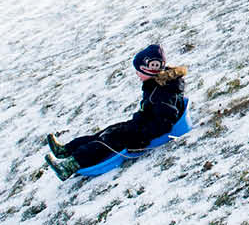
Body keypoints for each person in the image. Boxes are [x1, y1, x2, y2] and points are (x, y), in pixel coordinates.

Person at [44, 44, 188, 180]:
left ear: (150, 69)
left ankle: (71, 165)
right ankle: (67, 150)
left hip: (146, 132)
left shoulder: (163, 93)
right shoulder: (156, 84)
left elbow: (164, 122)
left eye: (139, 70)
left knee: (109, 140)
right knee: (106, 132)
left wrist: (142, 136)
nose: (137, 74)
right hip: (142, 124)